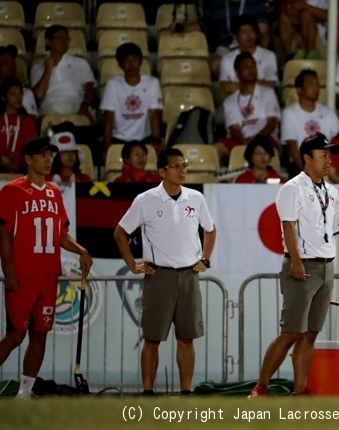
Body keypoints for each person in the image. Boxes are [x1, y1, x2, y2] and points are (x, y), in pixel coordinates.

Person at [114, 148, 216, 396]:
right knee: (152, 338)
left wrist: (205, 259)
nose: (182, 171)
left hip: (189, 275)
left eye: (184, 166)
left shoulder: (196, 198)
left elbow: (210, 229)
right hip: (159, 275)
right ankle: (147, 392)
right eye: (176, 166)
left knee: (187, 338)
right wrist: (132, 264)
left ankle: (185, 392)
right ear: (162, 171)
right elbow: (120, 233)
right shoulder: (146, 200)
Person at [249, 132, 339, 397]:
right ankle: (261, 387)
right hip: (302, 266)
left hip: (326, 265)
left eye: (329, 155)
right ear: (307, 158)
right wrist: (296, 262)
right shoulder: (292, 187)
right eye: (324, 155)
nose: (329, 160)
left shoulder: (331, 191)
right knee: (290, 332)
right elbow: (288, 226)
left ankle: (299, 391)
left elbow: (332, 227)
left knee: (310, 334)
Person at [0, 137, 93, 399]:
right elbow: (3, 234)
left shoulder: (54, 192)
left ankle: (25, 394)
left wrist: (82, 250)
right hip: (23, 273)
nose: (49, 159)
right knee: (15, 335)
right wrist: (9, 272)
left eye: (51, 155)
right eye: (42, 155)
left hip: (48, 274)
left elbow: (62, 235)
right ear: (28, 159)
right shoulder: (11, 190)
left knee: (40, 333)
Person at [100, 43, 163, 156]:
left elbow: (154, 115)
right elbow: (108, 118)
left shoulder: (152, 83)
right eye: (126, 61)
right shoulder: (113, 85)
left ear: (141, 62)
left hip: (144, 139)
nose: (131, 65)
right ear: (120, 65)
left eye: (134, 60)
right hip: (118, 140)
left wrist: (156, 140)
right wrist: (107, 147)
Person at [221, 52, 280, 162]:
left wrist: (255, 139)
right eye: (246, 66)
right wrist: (244, 140)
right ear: (237, 72)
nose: (251, 69)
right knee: (217, 149)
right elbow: (234, 129)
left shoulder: (268, 92)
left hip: (265, 138)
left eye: (253, 66)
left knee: (259, 148)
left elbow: (272, 122)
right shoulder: (229, 101)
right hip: (242, 140)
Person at [30, 25, 96, 120]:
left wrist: (84, 106)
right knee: (42, 121)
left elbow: (90, 88)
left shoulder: (80, 63)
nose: (64, 41)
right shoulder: (38, 67)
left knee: (87, 121)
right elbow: (39, 95)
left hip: (76, 104)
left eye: (66, 38)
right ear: (48, 41)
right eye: (60, 37)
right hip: (50, 106)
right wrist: (48, 69)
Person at [281, 69, 339, 172]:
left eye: (317, 85)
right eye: (310, 85)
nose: (316, 88)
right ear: (299, 89)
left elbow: (337, 141)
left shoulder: (328, 113)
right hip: (300, 167)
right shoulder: (290, 113)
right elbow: (291, 145)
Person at [219, 14, 278, 98]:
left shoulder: (268, 56)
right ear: (235, 37)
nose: (249, 36)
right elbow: (226, 87)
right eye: (244, 32)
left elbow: (271, 85)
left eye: (251, 31)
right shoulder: (227, 59)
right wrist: (259, 84)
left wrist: (240, 85)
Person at [0, 77, 37, 173]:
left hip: (21, 167)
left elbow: (32, 147)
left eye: (20, 93)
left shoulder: (27, 120)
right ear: (3, 97)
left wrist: (20, 163)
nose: (18, 98)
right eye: (13, 94)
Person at [0, 45, 37, 116]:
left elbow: (31, 122)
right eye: (5, 63)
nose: (11, 66)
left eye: (13, 62)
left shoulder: (25, 92)